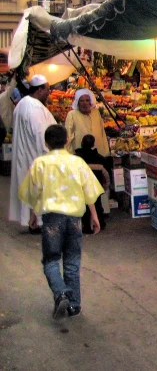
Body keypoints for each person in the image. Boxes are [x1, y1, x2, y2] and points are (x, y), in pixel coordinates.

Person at [18, 124, 103, 320]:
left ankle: (60, 292)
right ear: (67, 141)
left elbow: (33, 193)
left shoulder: (40, 163)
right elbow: (88, 191)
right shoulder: (77, 162)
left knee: (51, 260)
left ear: (46, 144)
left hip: (52, 220)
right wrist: (94, 216)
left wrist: (33, 215)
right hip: (75, 220)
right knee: (72, 261)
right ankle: (74, 306)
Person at [8, 75, 56, 233]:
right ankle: (37, 222)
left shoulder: (22, 103)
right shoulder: (34, 107)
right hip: (36, 155)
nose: (49, 93)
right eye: (47, 90)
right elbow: (40, 134)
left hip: (25, 155)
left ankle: (32, 221)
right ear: (40, 89)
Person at [75, 134, 109, 233]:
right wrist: (104, 187)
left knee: (84, 207)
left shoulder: (76, 158)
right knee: (98, 205)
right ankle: (100, 223)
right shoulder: (101, 159)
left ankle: (86, 226)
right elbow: (106, 175)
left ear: (81, 143)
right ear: (93, 144)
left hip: (81, 186)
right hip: (96, 186)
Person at [65, 88, 110, 157]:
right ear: (78, 102)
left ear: (90, 102)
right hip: (79, 155)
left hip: (97, 153)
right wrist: (69, 155)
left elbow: (102, 133)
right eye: (82, 101)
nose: (85, 103)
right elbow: (68, 136)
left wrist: (106, 152)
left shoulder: (96, 112)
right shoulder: (72, 114)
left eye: (87, 100)